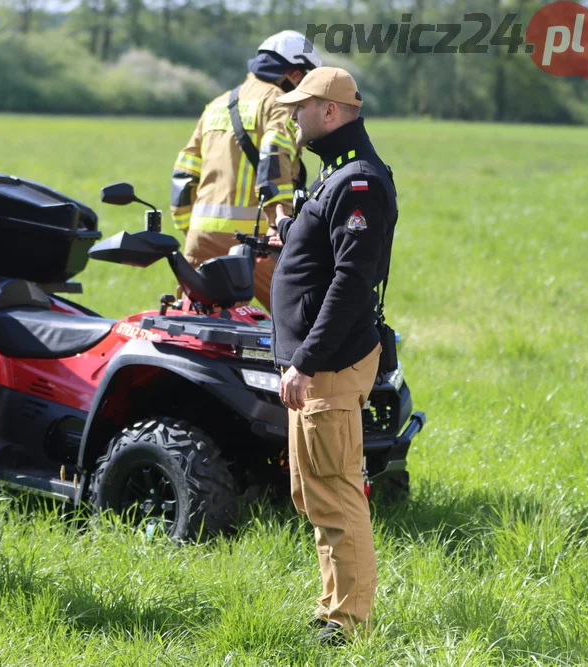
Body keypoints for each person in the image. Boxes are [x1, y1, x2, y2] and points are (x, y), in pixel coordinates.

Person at [269, 67, 397, 644]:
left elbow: (351, 281)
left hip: (331, 363)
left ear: (329, 111)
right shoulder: (336, 174)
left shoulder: (359, 180)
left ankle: (347, 623)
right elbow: (327, 258)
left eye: (300, 108)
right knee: (313, 488)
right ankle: (332, 606)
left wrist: (308, 360)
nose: (293, 118)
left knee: (336, 489)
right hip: (317, 360)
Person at [169, 30, 321, 309]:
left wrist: (189, 229)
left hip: (200, 237)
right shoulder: (278, 104)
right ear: (293, 74)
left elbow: (184, 171)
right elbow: (273, 161)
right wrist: (280, 225)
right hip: (256, 241)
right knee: (305, 315)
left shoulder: (217, 105)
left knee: (194, 328)